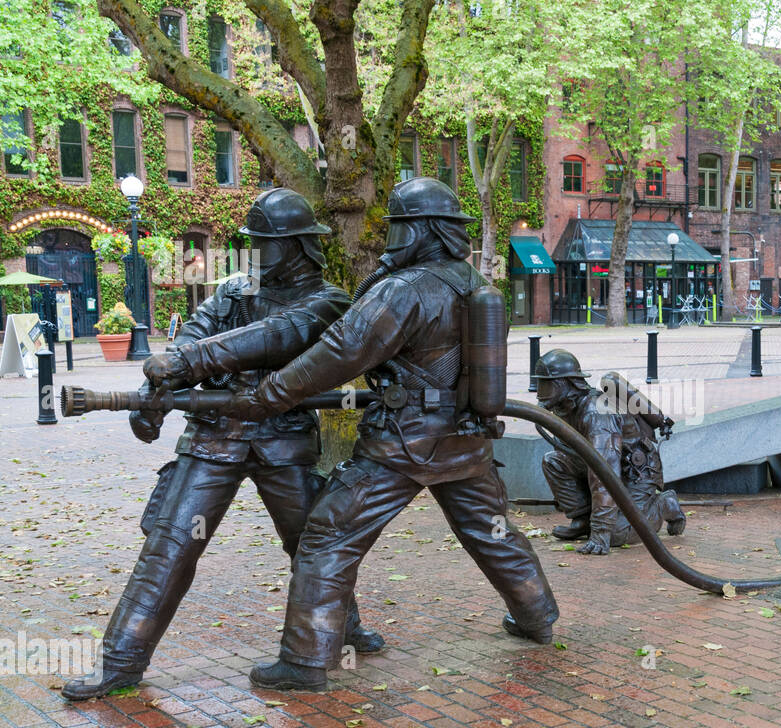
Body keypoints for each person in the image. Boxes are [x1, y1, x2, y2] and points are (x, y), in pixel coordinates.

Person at [214, 177, 560, 691]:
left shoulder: (404, 289)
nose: (389, 241)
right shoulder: (471, 281)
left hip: (402, 442)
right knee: (492, 530)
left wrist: (268, 395)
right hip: (464, 440)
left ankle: (305, 660)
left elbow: (339, 352)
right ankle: (537, 617)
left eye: (397, 229)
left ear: (417, 231)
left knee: (328, 534)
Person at [62, 188, 383, 700]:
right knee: (170, 547)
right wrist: (153, 394)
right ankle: (119, 663)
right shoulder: (235, 290)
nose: (255, 252)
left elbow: (276, 336)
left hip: (283, 442)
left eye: (265, 243)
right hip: (214, 439)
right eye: (252, 242)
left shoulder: (328, 302)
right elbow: (192, 336)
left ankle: (343, 629)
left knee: (312, 548)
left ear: (297, 246)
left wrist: (186, 366)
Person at [534, 349, 686, 555]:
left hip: (635, 472)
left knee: (618, 534)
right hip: (603, 464)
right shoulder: (567, 408)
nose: (542, 391)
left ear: (566, 384)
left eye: (548, 384)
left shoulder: (596, 413)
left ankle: (663, 504)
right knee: (554, 461)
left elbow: (604, 471)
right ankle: (582, 519)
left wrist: (602, 531)